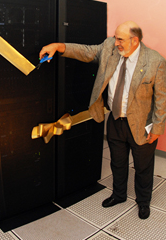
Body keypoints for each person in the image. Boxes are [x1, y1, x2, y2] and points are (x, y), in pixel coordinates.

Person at [39, 21, 166, 219]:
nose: (116, 43)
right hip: (115, 120)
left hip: (141, 123)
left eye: (120, 39)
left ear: (135, 40)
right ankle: (119, 194)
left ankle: (143, 201)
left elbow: (161, 98)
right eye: (115, 38)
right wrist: (58, 46)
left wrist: (157, 127)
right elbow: (86, 51)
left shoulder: (155, 61)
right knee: (117, 162)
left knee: (143, 166)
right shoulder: (109, 48)